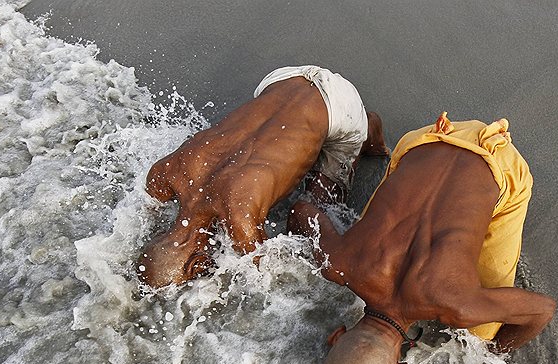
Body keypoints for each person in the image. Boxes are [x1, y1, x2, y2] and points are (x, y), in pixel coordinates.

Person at [290, 112, 556, 364]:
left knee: (481, 332)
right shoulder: (339, 263)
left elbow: (543, 310)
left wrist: (492, 355)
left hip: (501, 162)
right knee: (373, 224)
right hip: (426, 138)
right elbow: (303, 211)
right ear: (336, 336)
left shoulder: (458, 305)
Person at [138, 65, 387, 288]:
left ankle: (367, 129)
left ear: (198, 264)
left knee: (310, 216)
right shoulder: (162, 176)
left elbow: (267, 275)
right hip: (282, 78)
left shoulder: (239, 216)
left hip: (339, 102)